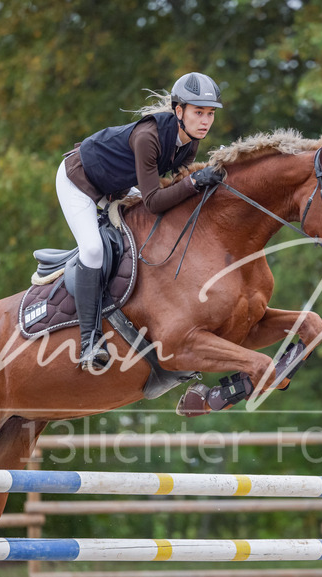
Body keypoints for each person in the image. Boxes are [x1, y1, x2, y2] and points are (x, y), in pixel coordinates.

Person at [57, 71, 225, 370]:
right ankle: (88, 342)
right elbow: (154, 201)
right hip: (80, 182)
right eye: (199, 112)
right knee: (93, 250)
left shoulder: (190, 141)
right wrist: (195, 181)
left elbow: (176, 191)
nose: (205, 121)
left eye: (210, 114)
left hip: (117, 186)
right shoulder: (149, 137)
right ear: (179, 111)